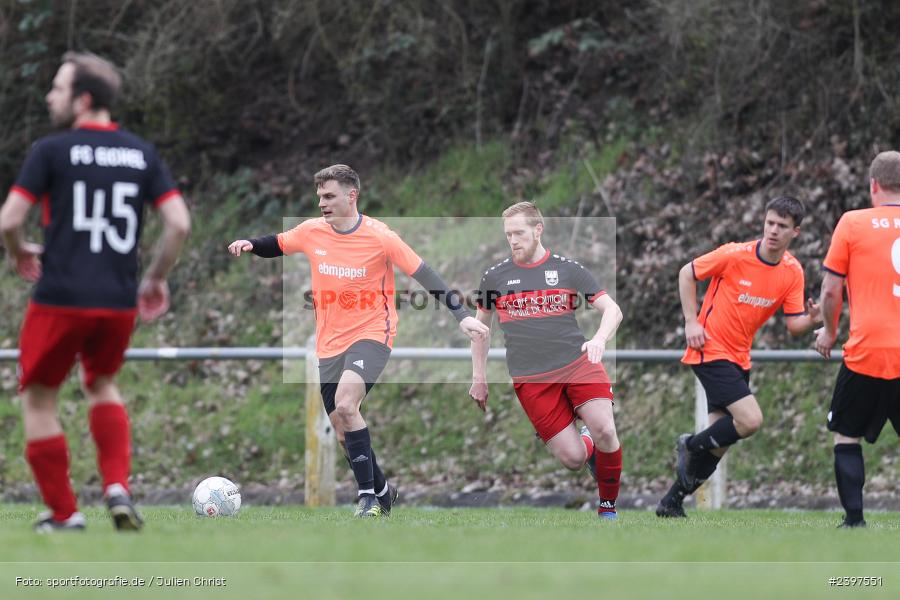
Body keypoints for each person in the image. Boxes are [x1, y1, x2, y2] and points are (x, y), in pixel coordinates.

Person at [228, 164, 488, 518]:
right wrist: (250, 245)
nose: (322, 203)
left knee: (347, 404)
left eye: (329, 196)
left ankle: (366, 498)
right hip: (329, 342)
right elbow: (279, 243)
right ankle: (383, 490)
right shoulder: (312, 231)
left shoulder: (381, 236)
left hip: (372, 333)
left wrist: (463, 316)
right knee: (341, 426)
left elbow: (425, 274)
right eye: (320, 196)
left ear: (352, 196)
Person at [0, 52, 191, 532]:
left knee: (39, 397)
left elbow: (9, 220)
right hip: (117, 300)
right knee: (101, 384)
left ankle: (65, 515)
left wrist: (19, 249)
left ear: (83, 100)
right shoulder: (141, 154)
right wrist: (155, 277)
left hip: (60, 297)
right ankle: (117, 486)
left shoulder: (51, 151)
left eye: (58, 88)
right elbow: (179, 223)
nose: (50, 96)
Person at [656, 196, 821, 518]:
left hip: (739, 358)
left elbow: (794, 326)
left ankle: (670, 502)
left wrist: (813, 320)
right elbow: (686, 274)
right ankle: (689, 445)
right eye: (770, 223)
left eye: (782, 226)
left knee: (719, 443)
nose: (773, 231)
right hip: (709, 349)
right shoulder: (734, 254)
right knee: (750, 420)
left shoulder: (792, 272)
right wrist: (691, 321)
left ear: (795, 232)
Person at [468, 202, 624, 519]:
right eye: (508, 234)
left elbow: (612, 310)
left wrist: (598, 339)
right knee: (573, 459)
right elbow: (480, 330)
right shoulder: (495, 277)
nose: (513, 240)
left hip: (578, 364)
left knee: (606, 430)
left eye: (519, 233)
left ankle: (607, 508)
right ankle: (585, 441)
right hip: (532, 379)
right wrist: (479, 378)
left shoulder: (568, 270)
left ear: (538, 230)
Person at [815, 150, 900, 528]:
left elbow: (831, 291)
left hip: (867, 350)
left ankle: (854, 520)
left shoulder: (852, 223)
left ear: (874, 185)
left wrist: (831, 332)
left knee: (846, 435)